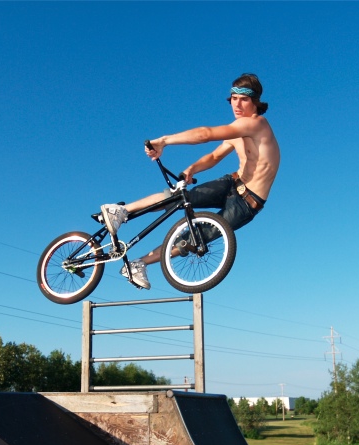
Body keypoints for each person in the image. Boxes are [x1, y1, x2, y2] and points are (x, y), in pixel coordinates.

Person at [100, 73, 281, 289]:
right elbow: (214, 157)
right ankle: (120, 211)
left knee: (197, 238)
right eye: (234, 99)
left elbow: (205, 134)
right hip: (233, 183)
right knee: (178, 197)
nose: (237, 105)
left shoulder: (258, 125)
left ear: (256, 102)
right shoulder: (237, 131)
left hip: (247, 202)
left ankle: (139, 263)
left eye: (244, 99)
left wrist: (164, 140)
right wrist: (192, 168)